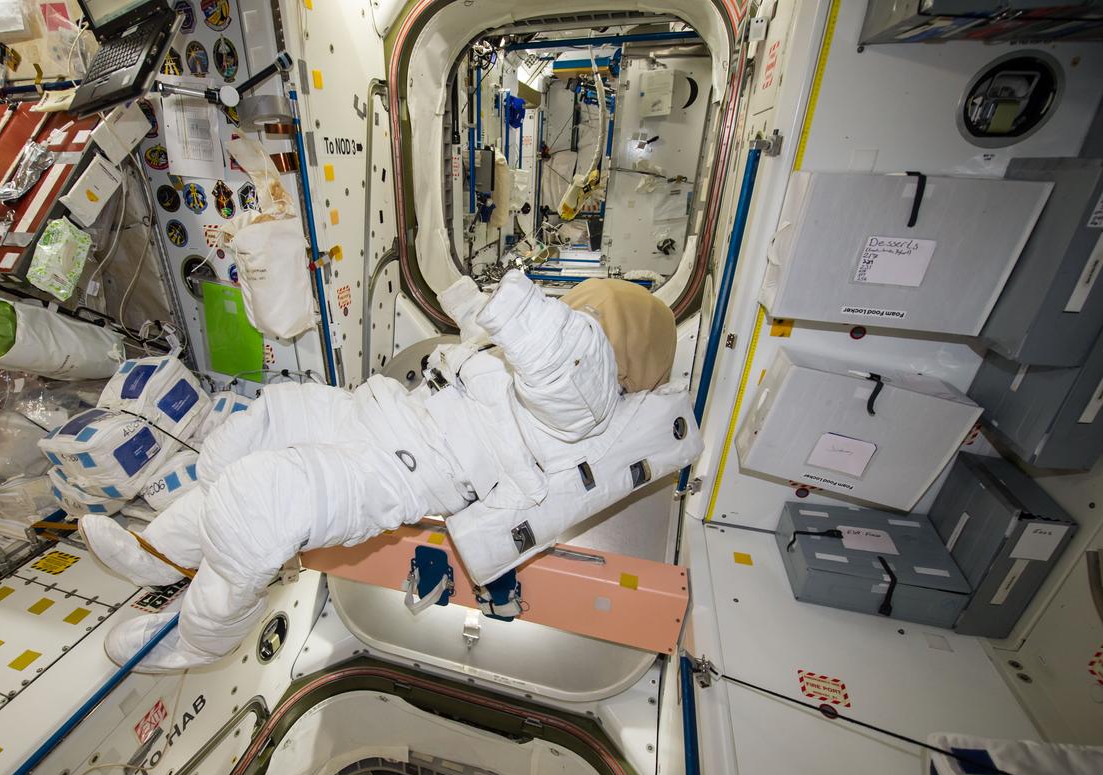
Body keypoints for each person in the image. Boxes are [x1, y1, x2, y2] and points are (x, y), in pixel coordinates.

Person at [81, 270, 701, 672]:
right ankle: (158, 554)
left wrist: (519, 307)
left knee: (259, 502)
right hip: (379, 414)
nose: (578, 318)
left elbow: (571, 362)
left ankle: (196, 638)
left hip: (405, 473)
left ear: (619, 357)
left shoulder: (586, 404)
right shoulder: (540, 365)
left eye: (591, 318)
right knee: (252, 427)